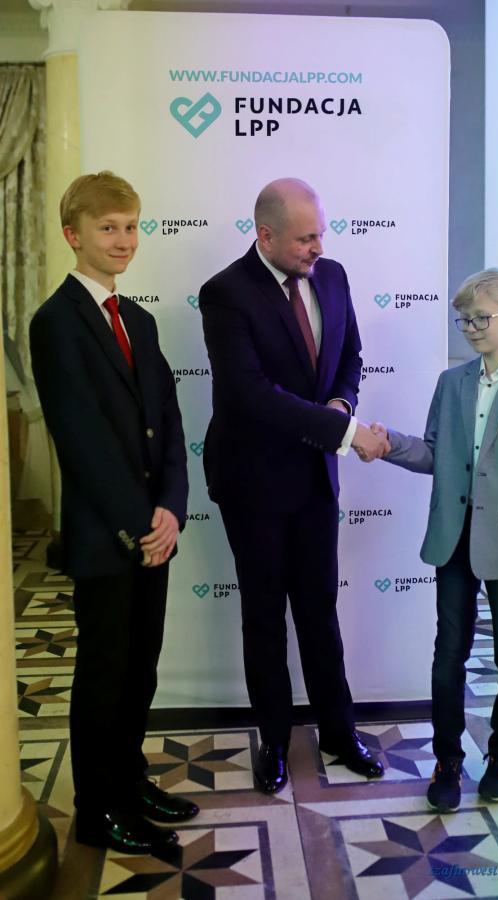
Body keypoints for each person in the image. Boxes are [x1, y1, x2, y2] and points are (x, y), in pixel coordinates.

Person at [199, 178, 388, 793]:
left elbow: (351, 356)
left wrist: (341, 402)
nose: (318, 247)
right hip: (252, 482)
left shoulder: (332, 276)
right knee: (264, 618)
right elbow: (250, 394)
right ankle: (275, 742)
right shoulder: (224, 293)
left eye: (320, 234)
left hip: (314, 480)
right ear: (266, 235)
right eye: (306, 238)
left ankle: (339, 732)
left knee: (319, 612)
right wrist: (344, 431)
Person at [29, 171, 198, 854]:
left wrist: (172, 510)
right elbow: (81, 439)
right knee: (104, 673)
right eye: (108, 228)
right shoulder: (56, 323)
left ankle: (129, 781)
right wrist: (139, 526)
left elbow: (169, 422)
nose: (123, 240)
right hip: (109, 537)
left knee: (141, 668)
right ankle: (98, 808)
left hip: (154, 530)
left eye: (130, 227)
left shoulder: (140, 320)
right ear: (73, 235)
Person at [368, 267, 498, 811]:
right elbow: (435, 453)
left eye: (482, 318)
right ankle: (448, 760)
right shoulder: (451, 383)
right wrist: (389, 444)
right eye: (464, 320)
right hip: (453, 539)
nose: (472, 328)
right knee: (447, 654)